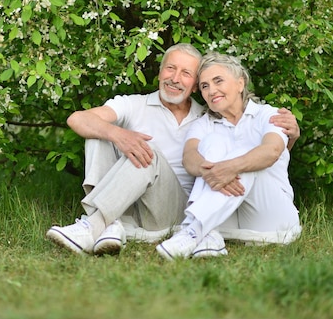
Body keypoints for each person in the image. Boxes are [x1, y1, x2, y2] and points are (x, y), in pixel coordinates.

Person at [46, 44, 300, 256]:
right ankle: (106, 223)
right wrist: (120, 135)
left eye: (186, 74)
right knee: (98, 133)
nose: (175, 78)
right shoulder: (135, 105)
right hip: (130, 205)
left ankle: (95, 225)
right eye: (170, 68)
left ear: (193, 86)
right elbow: (78, 119)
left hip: (173, 208)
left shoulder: (210, 116)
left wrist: (289, 138)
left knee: (153, 153)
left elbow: (264, 148)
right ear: (159, 73)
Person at [156, 52, 302, 260]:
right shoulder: (203, 124)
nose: (211, 90)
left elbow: (271, 151)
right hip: (226, 219)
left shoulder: (268, 115)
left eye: (218, 81)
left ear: (240, 83)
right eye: (205, 86)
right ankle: (208, 236)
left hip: (272, 219)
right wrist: (214, 173)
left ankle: (193, 229)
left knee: (248, 153)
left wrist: (231, 168)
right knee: (215, 142)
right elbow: (189, 158)